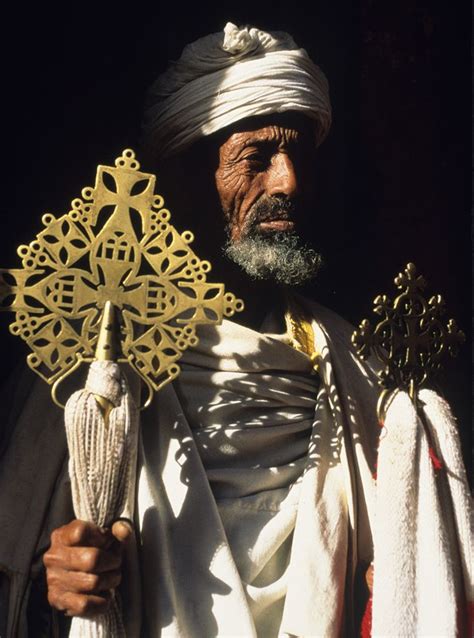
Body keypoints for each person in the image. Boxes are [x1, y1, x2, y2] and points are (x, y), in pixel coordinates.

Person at [0, 22, 470, 638]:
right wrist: (55, 585)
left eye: (299, 155)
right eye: (257, 157)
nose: (288, 183)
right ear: (186, 179)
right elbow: (20, 569)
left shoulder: (356, 363)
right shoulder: (94, 366)